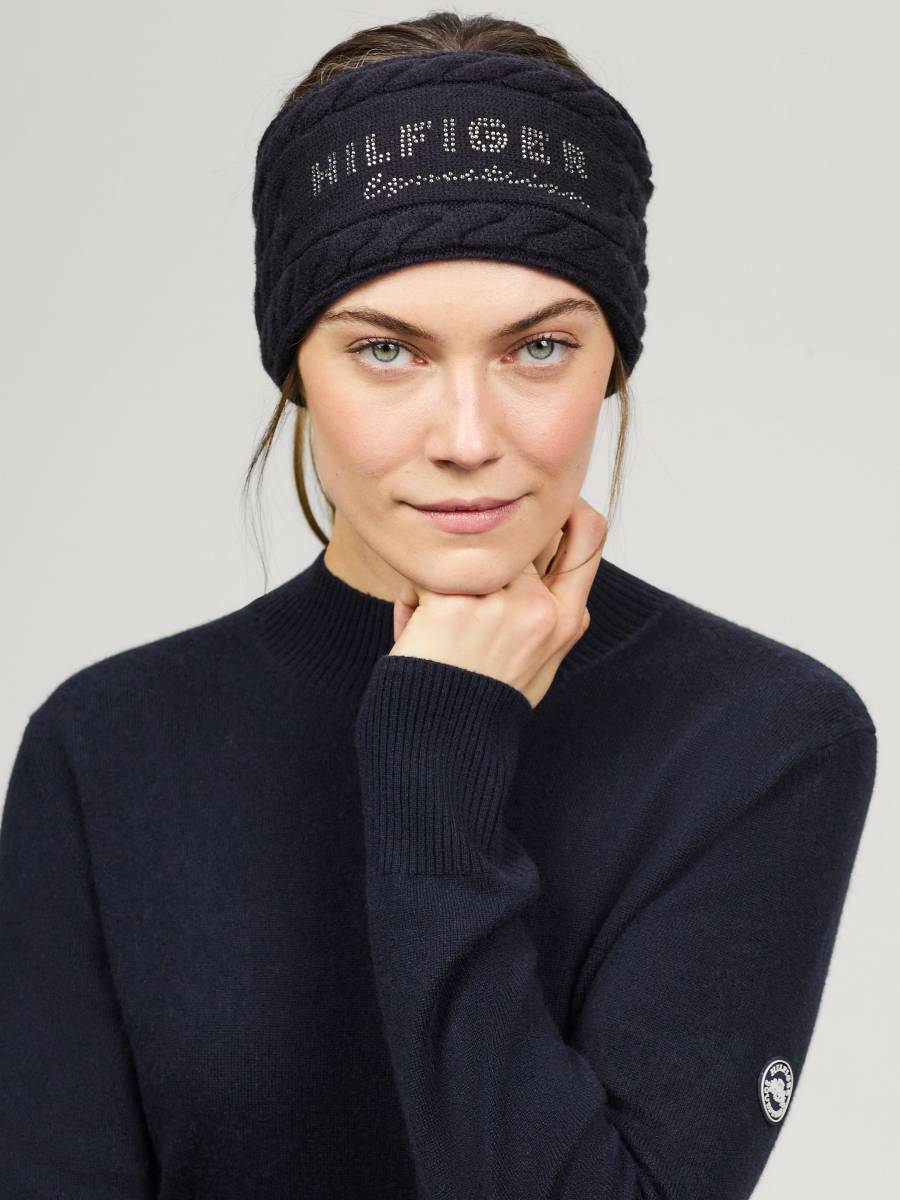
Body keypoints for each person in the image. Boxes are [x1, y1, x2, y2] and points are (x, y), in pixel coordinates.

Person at [0, 12, 877, 1200]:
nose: (468, 438)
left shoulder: (763, 737)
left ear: (612, 363)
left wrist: (439, 756)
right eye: (387, 351)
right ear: (295, 365)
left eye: (538, 349)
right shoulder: (108, 747)